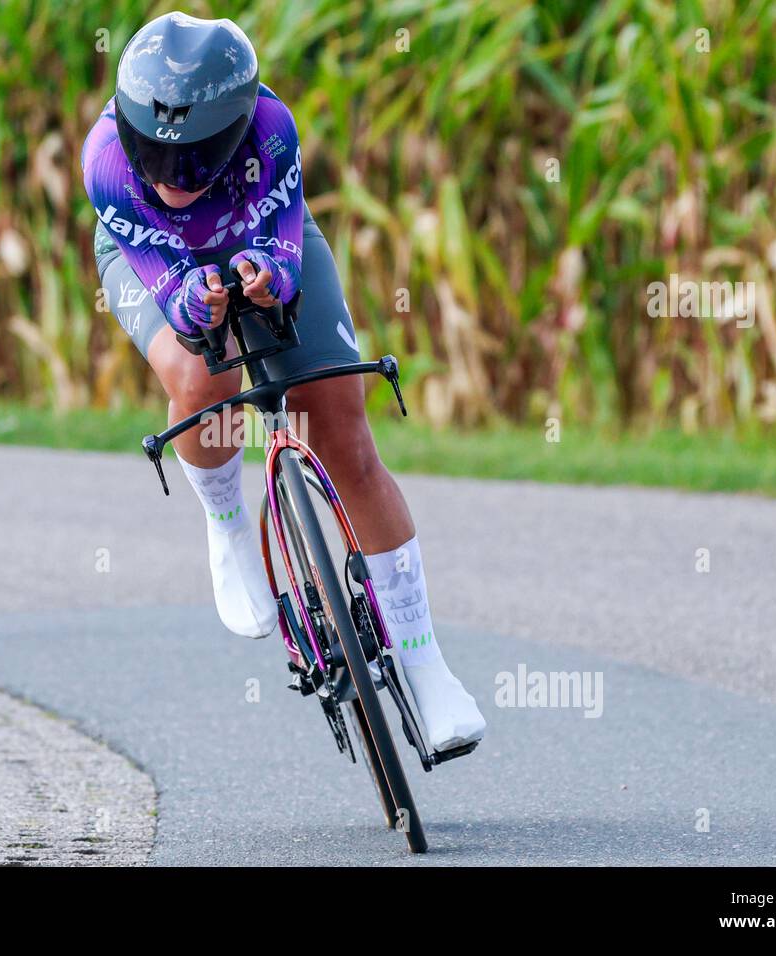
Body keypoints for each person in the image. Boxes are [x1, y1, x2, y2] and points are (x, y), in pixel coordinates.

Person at [80, 12, 484, 751]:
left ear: (233, 130)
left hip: (258, 234)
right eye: (157, 157)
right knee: (202, 374)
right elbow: (169, 286)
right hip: (156, 260)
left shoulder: (272, 127)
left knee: (346, 439)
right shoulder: (107, 161)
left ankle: (428, 670)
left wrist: (272, 276)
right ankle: (229, 520)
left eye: (194, 160)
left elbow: (287, 242)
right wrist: (196, 300)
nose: (172, 180)